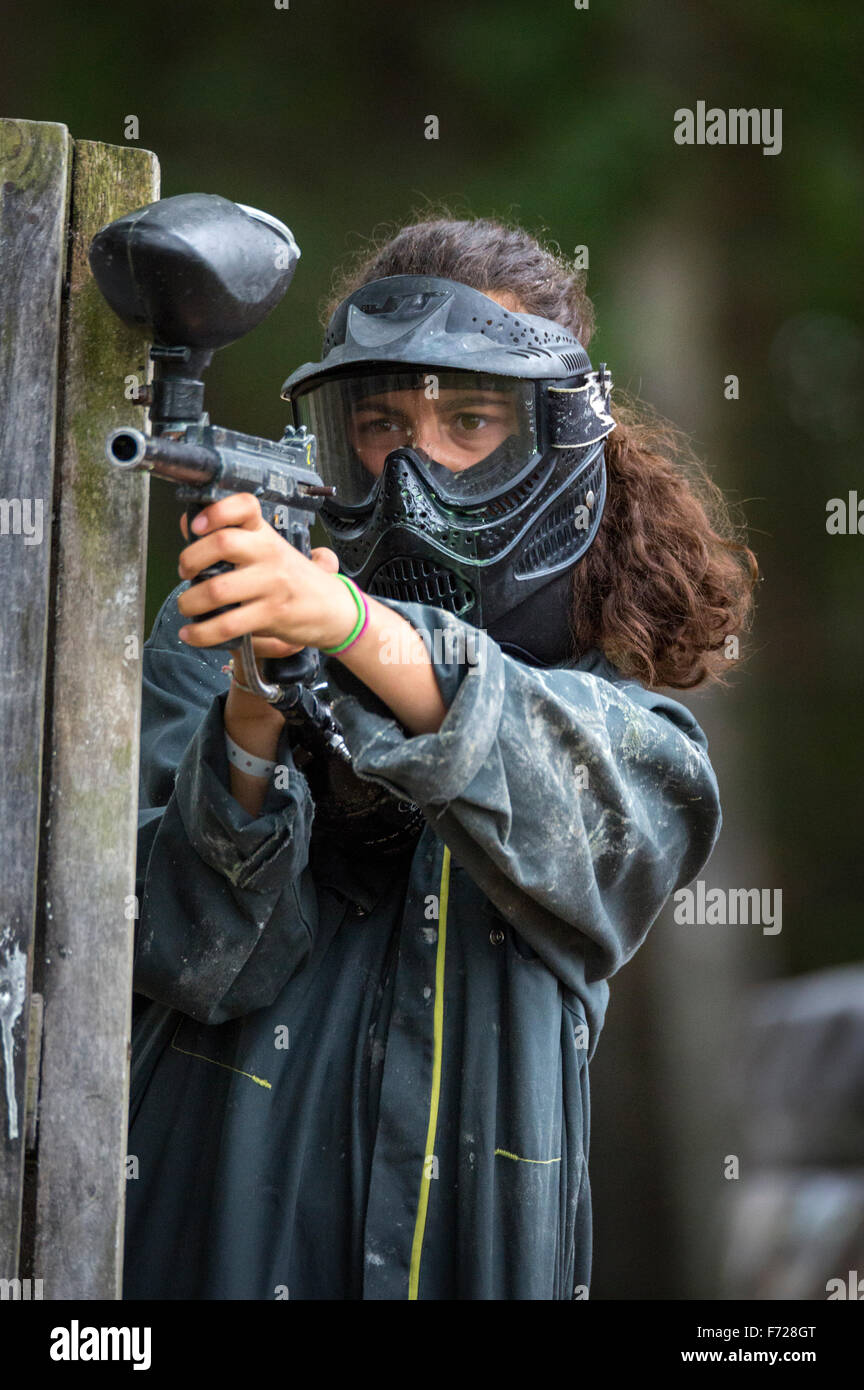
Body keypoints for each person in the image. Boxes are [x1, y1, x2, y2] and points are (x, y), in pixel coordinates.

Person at [122, 216, 757, 1300]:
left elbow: (588, 823)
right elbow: (191, 956)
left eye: (470, 417)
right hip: (204, 1233)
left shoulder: (614, 725)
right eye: (379, 422)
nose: (416, 462)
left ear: (555, 437)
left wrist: (347, 626)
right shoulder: (217, 636)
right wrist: (258, 706)